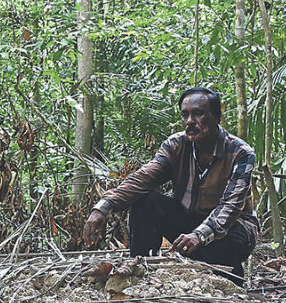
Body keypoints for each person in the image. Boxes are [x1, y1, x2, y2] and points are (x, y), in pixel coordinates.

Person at [82, 87, 259, 285]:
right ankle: (139, 269)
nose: (190, 121)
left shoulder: (241, 153)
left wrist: (199, 235)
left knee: (229, 239)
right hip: (188, 222)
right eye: (185, 115)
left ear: (217, 117)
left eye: (199, 114)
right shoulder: (176, 145)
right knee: (147, 201)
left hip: (229, 230)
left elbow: (231, 207)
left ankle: (228, 276)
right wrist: (103, 207)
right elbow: (143, 178)